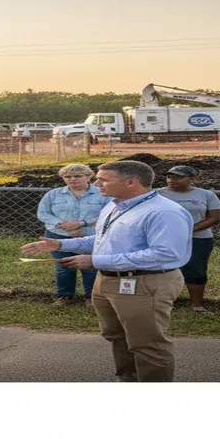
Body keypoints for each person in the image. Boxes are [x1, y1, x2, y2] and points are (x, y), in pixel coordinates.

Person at [21, 160, 193, 382]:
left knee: (147, 344)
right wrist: (60, 245)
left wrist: (95, 261)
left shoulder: (164, 212)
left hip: (144, 283)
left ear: (131, 182)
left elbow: (165, 254)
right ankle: (128, 381)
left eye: (103, 179)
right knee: (117, 337)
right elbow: (103, 239)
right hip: (109, 281)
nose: (96, 182)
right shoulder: (114, 204)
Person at [35, 163, 112, 305]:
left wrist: (82, 223)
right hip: (57, 235)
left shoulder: (102, 194)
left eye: (77, 176)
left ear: (88, 176)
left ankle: (91, 297)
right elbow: (43, 213)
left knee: (90, 266)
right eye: (68, 177)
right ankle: (64, 296)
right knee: (63, 266)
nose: (72, 179)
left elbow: (108, 213)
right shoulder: (53, 194)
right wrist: (65, 226)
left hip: (90, 236)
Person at [157, 165, 220, 313]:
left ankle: (196, 305)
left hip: (198, 239)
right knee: (163, 270)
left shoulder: (206, 195)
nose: (172, 180)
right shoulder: (157, 194)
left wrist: (189, 229)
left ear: (192, 179)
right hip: (166, 239)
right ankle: (164, 303)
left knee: (196, 270)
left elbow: (214, 217)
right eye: (169, 177)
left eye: (178, 177)